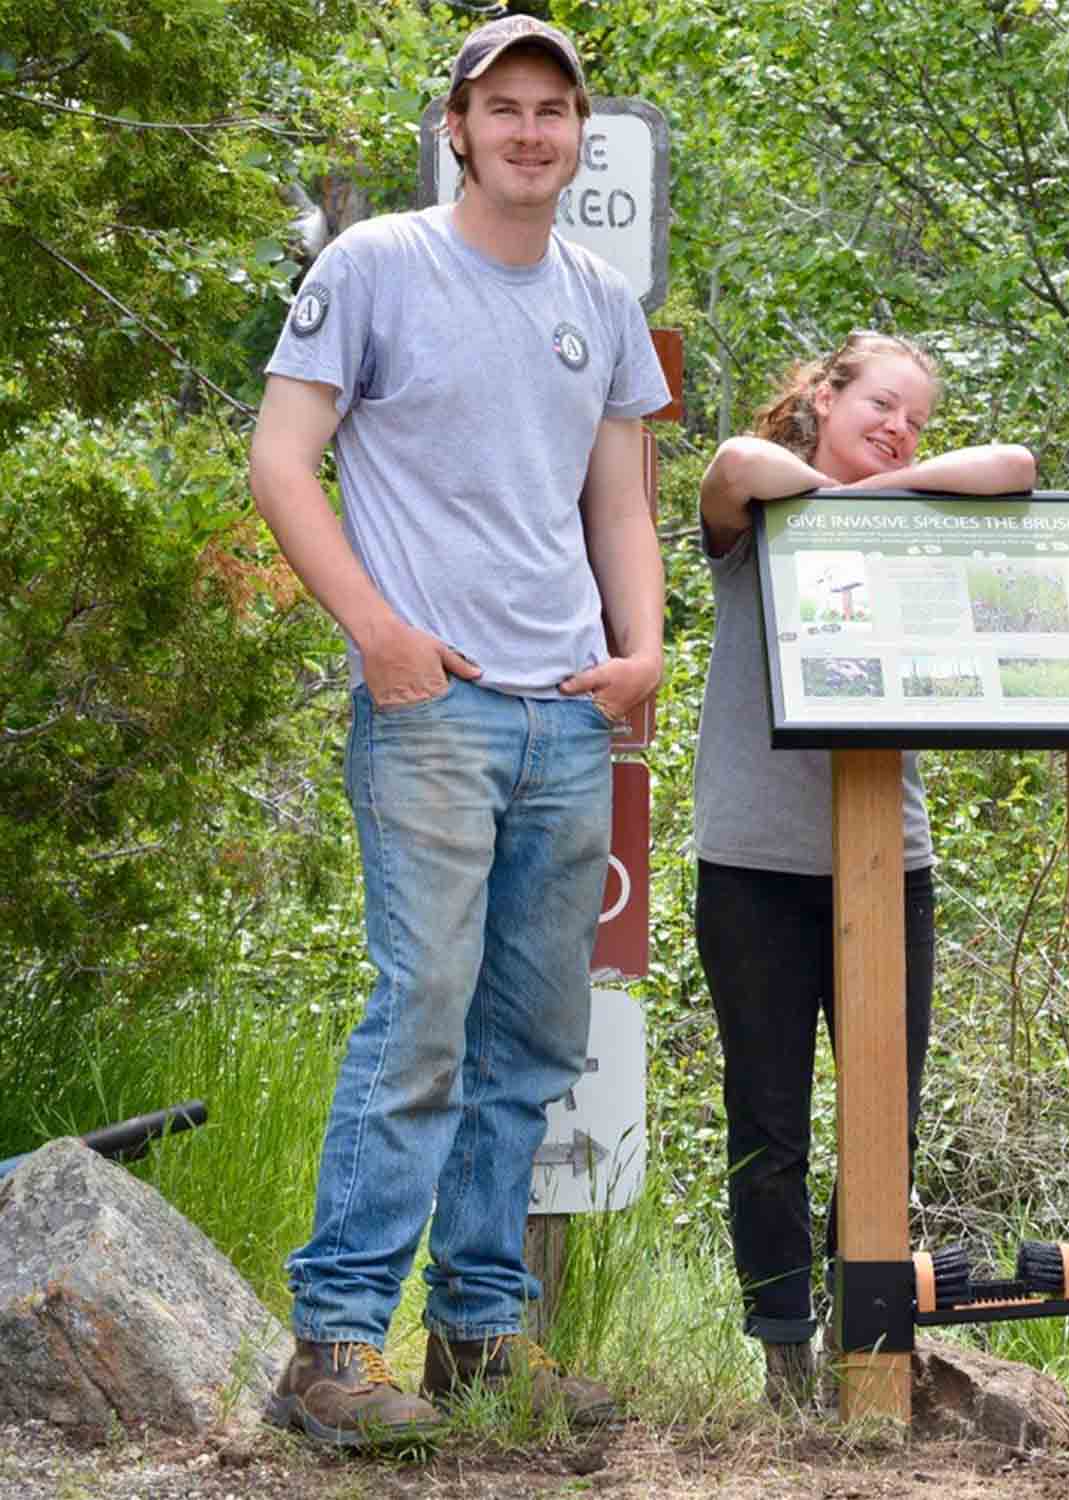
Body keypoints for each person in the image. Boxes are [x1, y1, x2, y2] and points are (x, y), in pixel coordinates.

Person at [247, 15, 669, 1448]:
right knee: (420, 1017)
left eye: (554, 110)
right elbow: (281, 462)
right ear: (460, 130)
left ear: (579, 135)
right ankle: (333, 1347)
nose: (531, 132)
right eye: (506, 109)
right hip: (433, 708)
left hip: (568, 716)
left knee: (532, 1039)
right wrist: (377, 631)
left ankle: (482, 1337)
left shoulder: (600, 298)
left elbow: (618, 499)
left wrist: (642, 650)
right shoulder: (378, 266)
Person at [692, 331, 1035, 1407]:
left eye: (916, 420)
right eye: (881, 404)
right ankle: (783, 1353)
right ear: (825, 397)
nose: (899, 429)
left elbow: (1016, 466)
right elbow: (734, 465)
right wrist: (849, 503)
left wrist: (880, 497)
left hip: (891, 863)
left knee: (885, 1114)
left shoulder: (910, 518)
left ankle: (866, 1343)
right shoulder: (759, 520)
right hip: (754, 863)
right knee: (769, 1122)